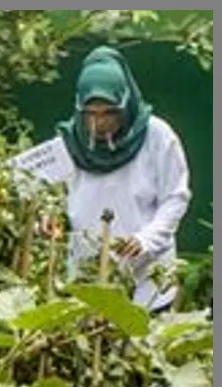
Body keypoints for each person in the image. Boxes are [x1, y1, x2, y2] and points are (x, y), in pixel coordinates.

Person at [54, 46, 191, 311]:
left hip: (146, 280)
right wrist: (48, 221)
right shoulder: (68, 142)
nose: (99, 123)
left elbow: (175, 197)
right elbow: (50, 197)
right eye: (90, 114)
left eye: (109, 113)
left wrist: (146, 239)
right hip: (86, 279)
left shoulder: (158, 136)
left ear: (126, 104)